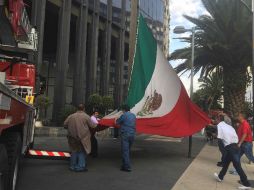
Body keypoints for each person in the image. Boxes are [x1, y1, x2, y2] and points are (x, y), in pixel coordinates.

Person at [214, 114, 251, 190]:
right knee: (226, 163)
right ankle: (220, 177)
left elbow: (219, 137)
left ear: (218, 119)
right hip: (234, 146)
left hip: (231, 148)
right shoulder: (228, 126)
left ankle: (247, 184)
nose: (215, 120)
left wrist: (213, 134)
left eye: (216, 119)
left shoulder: (220, 126)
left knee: (237, 166)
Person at [64, 104, 97, 172]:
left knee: (74, 151)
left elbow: (65, 125)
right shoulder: (86, 116)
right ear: (84, 109)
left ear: (77, 108)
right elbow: (93, 126)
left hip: (72, 137)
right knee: (82, 151)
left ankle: (72, 166)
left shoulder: (71, 116)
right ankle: (80, 166)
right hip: (83, 138)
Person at [116, 104, 136, 172]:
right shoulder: (133, 115)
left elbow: (117, 122)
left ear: (124, 110)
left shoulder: (124, 115)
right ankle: (124, 165)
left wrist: (116, 119)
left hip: (125, 134)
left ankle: (127, 167)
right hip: (132, 134)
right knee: (127, 150)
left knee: (125, 151)